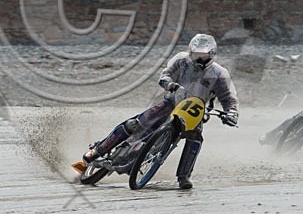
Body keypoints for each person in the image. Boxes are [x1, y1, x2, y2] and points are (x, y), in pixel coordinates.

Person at [72, 33, 239, 189]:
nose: (199, 59)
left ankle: (184, 176)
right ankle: (97, 151)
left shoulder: (220, 74)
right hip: (170, 103)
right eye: (196, 55)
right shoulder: (181, 60)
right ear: (190, 52)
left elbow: (229, 97)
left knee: (195, 138)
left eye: (204, 56)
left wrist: (231, 113)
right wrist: (169, 84)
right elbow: (165, 74)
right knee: (136, 123)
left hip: (194, 113)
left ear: (212, 54)